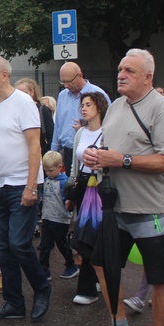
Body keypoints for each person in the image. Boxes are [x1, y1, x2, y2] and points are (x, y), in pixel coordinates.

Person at [82, 49, 164, 326]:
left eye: (130, 71)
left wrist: (121, 160)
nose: (121, 75)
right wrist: (96, 155)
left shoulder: (163, 109)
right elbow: (112, 148)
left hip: (150, 209)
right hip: (116, 209)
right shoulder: (114, 107)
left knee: (158, 278)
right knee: (101, 264)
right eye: (121, 69)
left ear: (148, 77)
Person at [0, 55, 51, 322]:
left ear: (4, 75)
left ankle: (42, 287)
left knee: (19, 243)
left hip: (22, 184)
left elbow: (34, 146)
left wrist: (32, 186)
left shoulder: (23, 102)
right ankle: (14, 303)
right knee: (4, 246)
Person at [64, 92, 109, 305]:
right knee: (85, 232)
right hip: (83, 186)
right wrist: (71, 193)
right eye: (82, 105)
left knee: (92, 236)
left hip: (99, 187)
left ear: (99, 107)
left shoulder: (107, 132)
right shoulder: (81, 133)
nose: (83, 108)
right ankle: (98, 278)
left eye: (88, 104)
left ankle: (88, 287)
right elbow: (75, 162)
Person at [51, 62, 110, 176]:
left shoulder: (97, 94)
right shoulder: (63, 95)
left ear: (80, 75)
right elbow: (58, 124)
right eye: (63, 82)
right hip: (68, 152)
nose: (66, 85)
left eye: (69, 81)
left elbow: (108, 121)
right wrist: (54, 151)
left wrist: (84, 126)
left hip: (92, 153)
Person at [39, 151, 77, 280]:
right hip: (47, 217)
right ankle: (44, 270)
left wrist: (68, 206)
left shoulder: (64, 182)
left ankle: (71, 265)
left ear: (60, 166)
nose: (48, 173)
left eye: (50, 170)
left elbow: (69, 201)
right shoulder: (47, 180)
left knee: (62, 244)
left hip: (60, 219)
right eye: (46, 170)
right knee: (44, 245)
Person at [15, 78, 54, 155]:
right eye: (18, 93)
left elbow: (51, 135)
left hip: (41, 153)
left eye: (25, 93)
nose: (21, 96)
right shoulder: (15, 111)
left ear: (32, 92)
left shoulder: (42, 110)